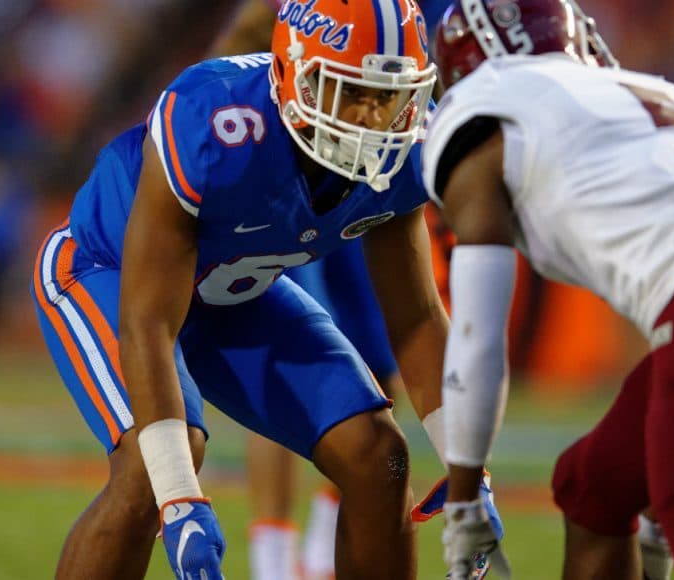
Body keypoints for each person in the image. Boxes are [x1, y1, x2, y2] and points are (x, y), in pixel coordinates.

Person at [31, 1, 460, 578]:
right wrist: (180, 498)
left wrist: (470, 467)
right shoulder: (213, 123)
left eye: (386, 96)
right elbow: (148, 323)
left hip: (233, 292)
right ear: (297, 75)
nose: (371, 118)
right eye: (349, 91)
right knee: (147, 473)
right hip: (108, 270)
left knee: (376, 456)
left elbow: (416, 318)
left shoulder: (408, 147)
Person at [423, 1, 674, 579]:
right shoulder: (646, 90)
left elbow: (477, 338)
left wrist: (464, 500)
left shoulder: (482, 118)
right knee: (593, 488)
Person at [208, 2, 476, 579]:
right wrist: (234, 152)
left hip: (378, 172)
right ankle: (273, 563)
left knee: (380, 368)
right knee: (284, 359)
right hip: (296, 175)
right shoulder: (335, 11)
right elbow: (249, 38)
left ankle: (323, 551)